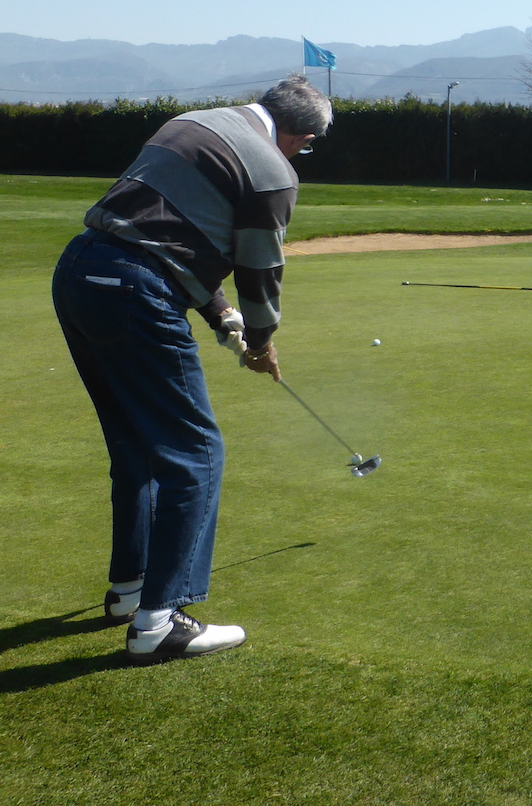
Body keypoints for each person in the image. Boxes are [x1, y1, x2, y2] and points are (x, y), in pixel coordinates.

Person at [51, 74, 330, 664]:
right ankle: (160, 621)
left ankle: (129, 592)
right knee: (195, 453)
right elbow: (260, 269)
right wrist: (261, 339)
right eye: (307, 146)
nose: (302, 154)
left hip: (79, 271)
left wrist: (218, 313)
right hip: (135, 291)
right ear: (299, 135)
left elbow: (160, 231)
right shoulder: (274, 171)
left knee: (135, 445)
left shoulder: (193, 124)